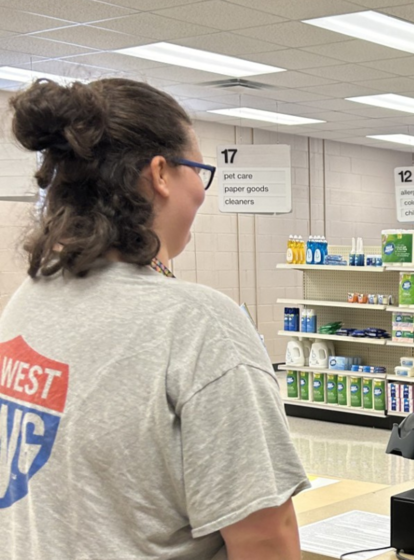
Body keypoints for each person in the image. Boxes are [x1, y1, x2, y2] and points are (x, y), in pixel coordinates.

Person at [0, 78, 309, 559]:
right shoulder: (199, 323)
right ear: (161, 173)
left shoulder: (29, 297)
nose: (202, 194)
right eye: (199, 172)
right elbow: (267, 541)